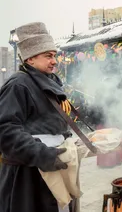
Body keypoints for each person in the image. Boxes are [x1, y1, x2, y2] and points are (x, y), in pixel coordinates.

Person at [0, 22, 77, 212]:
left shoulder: (47, 80)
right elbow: (5, 130)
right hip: (28, 174)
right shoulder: (18, 84)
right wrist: (41, 154)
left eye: (54, 55)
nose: (54, 61)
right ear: (30, 59)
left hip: (52, 163)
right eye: (48, 56)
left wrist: (66, 141)